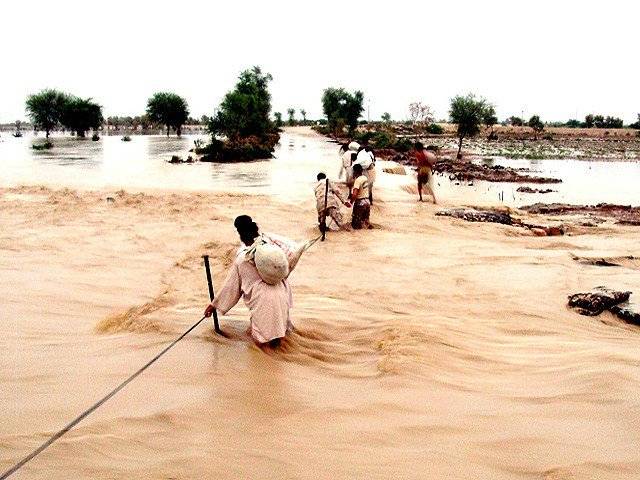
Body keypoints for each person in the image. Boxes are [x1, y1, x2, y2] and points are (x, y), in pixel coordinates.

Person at [204, 216, 294, 347]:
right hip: (282, 297)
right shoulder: (270, 247)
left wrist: (214, 305)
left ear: (240, 235)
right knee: (278, 341)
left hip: (263, 302)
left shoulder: (243, 259)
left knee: (262, 346)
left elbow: (231, 287)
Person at [350, 164, 371, 229]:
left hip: (360, 204)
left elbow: (355, 194)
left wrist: (351, 202)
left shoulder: (358, 180)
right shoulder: (365, 178)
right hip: (367, 202)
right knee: (365, 223)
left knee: (356, 226)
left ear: (355, 172)